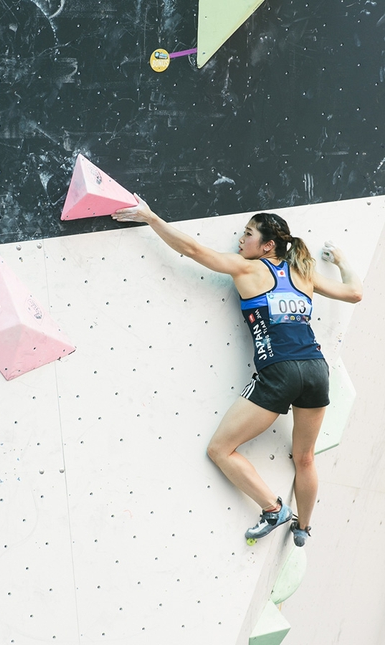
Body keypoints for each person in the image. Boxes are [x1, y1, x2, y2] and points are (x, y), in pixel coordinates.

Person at [112, 196, 362, 547]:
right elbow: (354, 292)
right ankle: (303, 528)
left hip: (280, 371)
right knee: (305, 457)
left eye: (247, 234)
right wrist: (341, 260)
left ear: (267, 245)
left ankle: (273, 509)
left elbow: (194, 250)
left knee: (220, 449)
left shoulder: (250, 269)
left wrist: (151, 217)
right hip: (317, 370)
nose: (240, 241)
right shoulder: (303, 274)